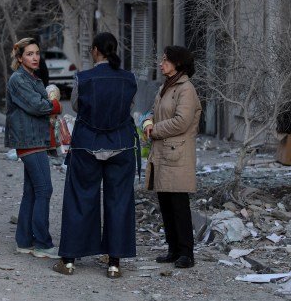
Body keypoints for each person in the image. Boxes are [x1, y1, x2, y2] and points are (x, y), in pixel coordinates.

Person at [53, 32, 138, 279]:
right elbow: (129, 108)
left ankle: (68, 260)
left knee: (80, 199)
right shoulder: (129, 79)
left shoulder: (83, 78)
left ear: (96, 50)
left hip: (87, 145)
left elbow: (77, 106)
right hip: (121, 146)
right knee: (119, 201)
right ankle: (114, 263)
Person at [142, 46, 201, 269]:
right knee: (166, 204)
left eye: (165, 60)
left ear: (177, 63)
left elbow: (181, 121)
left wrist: (154, 129)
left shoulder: (186, 89)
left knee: (179, 204)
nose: (161, 63)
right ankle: (173, 249)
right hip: (163, 153)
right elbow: (153, 111)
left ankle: (186, 252)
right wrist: (147, 121)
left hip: (178, 155)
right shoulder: (165, 87)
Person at [5, 38, 62, 259]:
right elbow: (38, 106)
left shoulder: (31, 77)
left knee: (32, 191)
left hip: (35, 139)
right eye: (29, 54)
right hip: (29, 140)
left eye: (37, 53)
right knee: (44, 190)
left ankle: (24, 241)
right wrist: (55, 105)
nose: (35, 57)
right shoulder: (19, 79)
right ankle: (42, 243)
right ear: (20, 58)